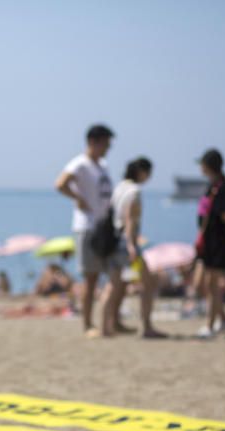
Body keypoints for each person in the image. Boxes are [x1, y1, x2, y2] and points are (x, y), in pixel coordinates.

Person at [55, 125, 115, 338]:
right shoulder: (79, 163)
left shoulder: (103, 165)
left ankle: (109, 322)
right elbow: (60, 183)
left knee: (112, 276)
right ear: (94, 141)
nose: (108, 148)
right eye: (106, 143)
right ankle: (88, 324)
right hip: (86, 226)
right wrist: (78, 199)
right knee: (90, 278)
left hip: (103, 227)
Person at [110, 157, 166, 337]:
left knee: (120, 284)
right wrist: (131, 245)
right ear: (141, 172)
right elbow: (130, 219)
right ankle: (147, 326)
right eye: (149, 173)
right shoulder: (134, 191)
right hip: (128, 243)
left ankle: (114, 322)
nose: (149, 177)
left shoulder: (119, 188)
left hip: (114, 240)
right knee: (148, 283)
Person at [195, 149, 225, 338]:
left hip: (217, 241)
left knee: (212, 282)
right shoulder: (213, 185)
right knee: (207, 283)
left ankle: (211, 325)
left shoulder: (222, 187)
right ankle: (224, 318)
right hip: (210, 240)